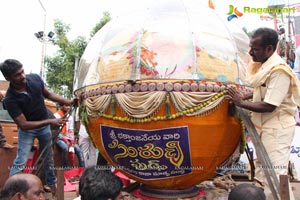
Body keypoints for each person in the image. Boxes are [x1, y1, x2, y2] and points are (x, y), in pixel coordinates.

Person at [227, 27, 300, 200]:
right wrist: (247, 95)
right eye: (251, 47)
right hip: (265, 128)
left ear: (269, 49)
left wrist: (241, 102)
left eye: (255, 48)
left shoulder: (279, 71)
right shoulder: (265, 67)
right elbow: (264, 89)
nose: (250, 51)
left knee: (276, 173)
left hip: (277, 130)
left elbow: (269, 105)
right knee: (264, 172)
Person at [0, 59, 75, 196]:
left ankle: (52, 188)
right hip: (27, 129)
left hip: (43, 125)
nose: (22, 76)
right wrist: (49, 122)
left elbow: (48, 94)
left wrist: (68, 101)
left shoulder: (34, 79)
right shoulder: (10, 99)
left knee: (48, 157)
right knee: (21, 160)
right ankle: (10, 192)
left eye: (22, 71)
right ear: (8, 78)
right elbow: (24, 125)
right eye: (17, 75)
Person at [55, 103, 85, 168]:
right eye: (66, 105)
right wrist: (66, 141)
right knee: (65, 147)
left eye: (69, 106)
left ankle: (82, 169)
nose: (68, 107)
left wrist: (72, 141)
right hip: (58, 138)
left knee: (79, 150)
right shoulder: (56, 116)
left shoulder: (70, 117)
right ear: (61, 106)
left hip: (68, 139)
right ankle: (66, 168)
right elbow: (56, 132)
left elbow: (71, 130)